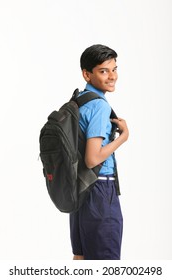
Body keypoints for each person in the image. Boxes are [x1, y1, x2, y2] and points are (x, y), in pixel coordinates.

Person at [70, 44, 129, 260]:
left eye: (114, 69)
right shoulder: (99, 107)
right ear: (87, 74)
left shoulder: (79, 100)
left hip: (80, 189)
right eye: (103, 71)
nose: (112, 76)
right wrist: (123, 137)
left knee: (81, 258)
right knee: (106, 266)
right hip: (100, 188)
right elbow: (92, 158)